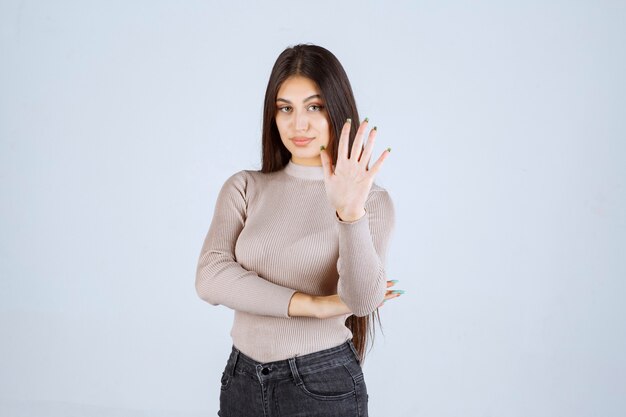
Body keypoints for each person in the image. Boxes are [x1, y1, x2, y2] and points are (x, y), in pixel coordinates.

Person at [195, 43, 402, 417]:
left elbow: (361, 301)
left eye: (314, 106)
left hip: (320, 382)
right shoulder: (245, 187)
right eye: (285, 108)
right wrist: (315, 306)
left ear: (337, 110)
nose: (298, 124)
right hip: (241, 378)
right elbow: (210, 278)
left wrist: (349, 212)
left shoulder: (370, 201)